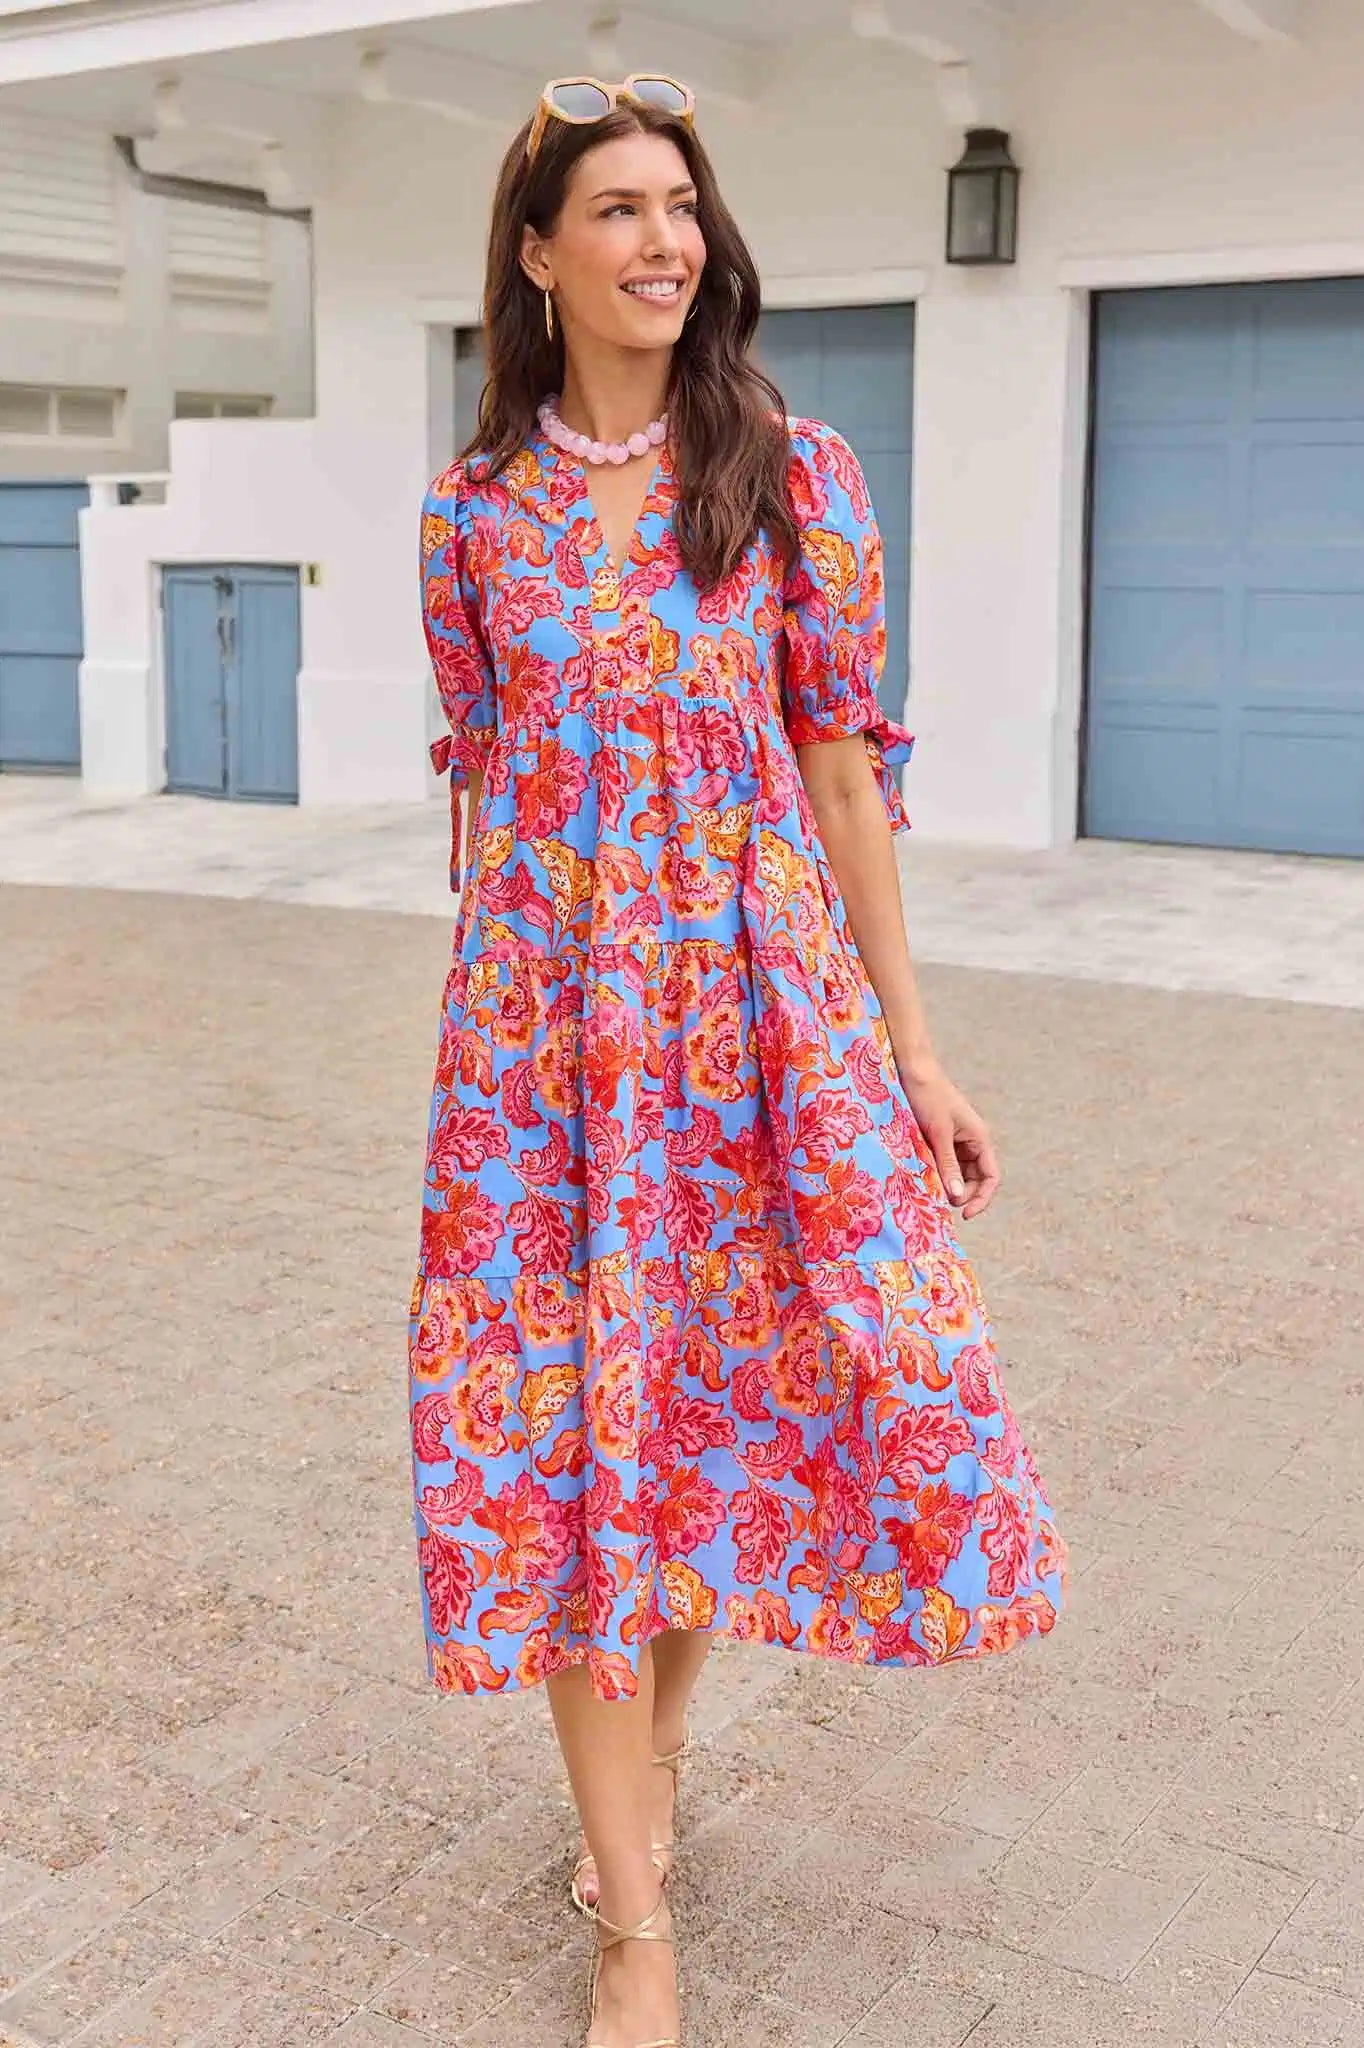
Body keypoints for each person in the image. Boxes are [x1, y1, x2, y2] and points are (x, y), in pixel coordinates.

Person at [410, 71, 1066, 2048]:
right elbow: (485, 786)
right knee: (565, 1455)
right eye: (612, 210)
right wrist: (495, 1043)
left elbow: (843, 778)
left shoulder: (786, 473)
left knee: (699, 1428)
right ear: (537, 254)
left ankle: (647, 1769)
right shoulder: (472, 511)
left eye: (677, 208)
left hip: (754, 1024)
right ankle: (633, 1928)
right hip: (542, 1065)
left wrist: (912, 1052)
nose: (659, 242)